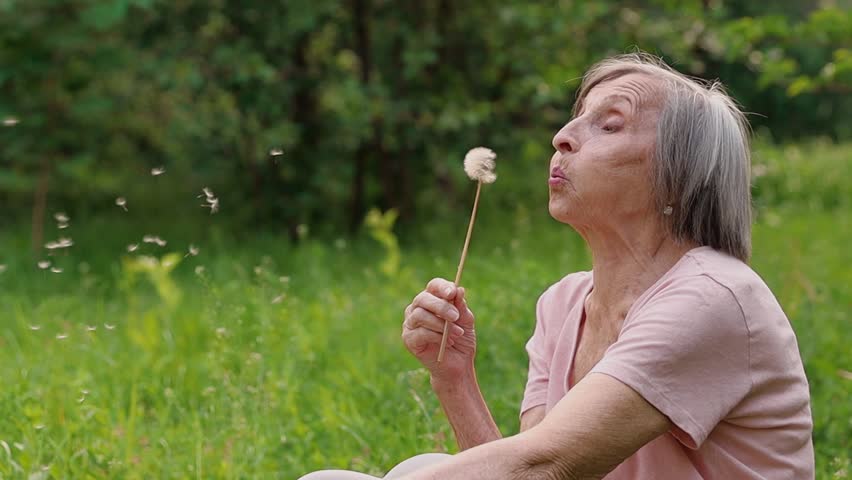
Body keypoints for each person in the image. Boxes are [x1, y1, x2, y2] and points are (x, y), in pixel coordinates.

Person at [299, 53, 814, 479]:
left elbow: (543, 465)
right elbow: (533, 468)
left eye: (609, 124)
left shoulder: (713, 296)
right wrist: (453, 377)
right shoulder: (565, 303)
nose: (563, 136)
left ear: (680, 176)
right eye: (576, 116)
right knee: (408, 467)